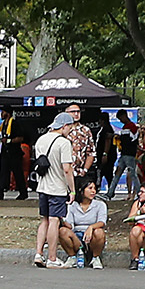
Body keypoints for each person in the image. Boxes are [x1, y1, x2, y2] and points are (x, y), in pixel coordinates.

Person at [33, 102, 80, 267]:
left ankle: (39, 254)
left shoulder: (41, 140)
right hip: (57, 188)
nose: (70, 131)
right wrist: (72, 190)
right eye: (70, 127)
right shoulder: (63, 143)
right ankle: (52, 258)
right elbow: (67, 169)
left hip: (42, 186)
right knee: (54, 220)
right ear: (64, 126)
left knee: (44, 220)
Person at [58, 183, 108, 266]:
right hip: (77, 235)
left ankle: (96, 258)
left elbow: (102, 222)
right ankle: (72, 256)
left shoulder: (100, 205)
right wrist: (62, 220)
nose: (93, 191)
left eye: (94, 189)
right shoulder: (73, 205)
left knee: (99, 232)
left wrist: (91, 228)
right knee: (62, 231)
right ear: (82, 191)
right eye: (90, 188)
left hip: (92, 235)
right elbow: (70, 225)